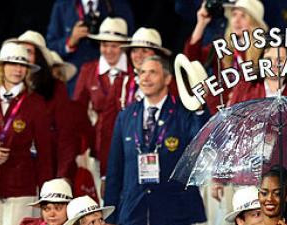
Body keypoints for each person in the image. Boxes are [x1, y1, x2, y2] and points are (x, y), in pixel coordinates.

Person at [103, 55, 209, 225]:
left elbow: (204, 141)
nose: (145, 77)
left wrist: (199, 105)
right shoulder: (126, 116)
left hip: (175, 212)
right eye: (142, 72)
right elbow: (115, 170)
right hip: (133, 213)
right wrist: (109, 215)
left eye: (152, 72)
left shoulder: (184, 112)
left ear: (167, 78)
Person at [0, 42, 56, 225]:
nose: (18, 69)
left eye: (22, 65)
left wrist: (47, 192)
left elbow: (45, 152)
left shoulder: (36, 103)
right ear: (2, 67)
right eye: (13, 64)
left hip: (21, 186)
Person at [6, 30, 93, 187]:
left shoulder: (55, 89)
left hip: (46, 169)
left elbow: (65, 137)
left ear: (38, 58)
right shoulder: (6, 90)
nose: (23, 56)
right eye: (20, 51)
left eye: (29, 51)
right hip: (12, 173)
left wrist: (63, 175)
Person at [71, 19, 133, 176]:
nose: (109, 51)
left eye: (114, 46)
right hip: (96, 147)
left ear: (124, 47)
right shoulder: (88, 70)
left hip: (129, 145)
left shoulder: (134, 71)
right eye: (104, 45)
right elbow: (77, 111)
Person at [184, 0, 267, 112]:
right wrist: (201, 23)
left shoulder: (265, 53)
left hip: (251, 114)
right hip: (221, 115)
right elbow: (191, 60)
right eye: (234, 15)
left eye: (243, 16)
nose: (237, 20)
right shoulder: (221, 48)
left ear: (254, 23)